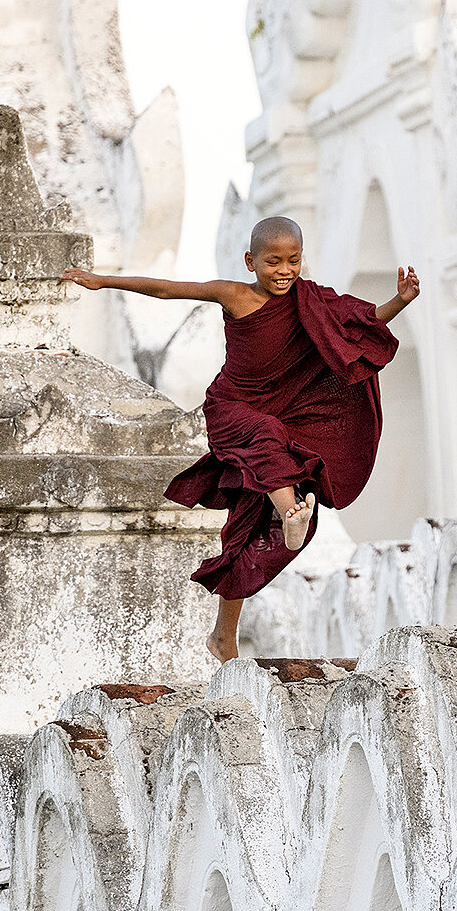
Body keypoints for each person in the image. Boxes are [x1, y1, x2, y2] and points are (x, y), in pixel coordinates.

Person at [63, 215, 419, 661]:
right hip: (233, 410)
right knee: (269, 439)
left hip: (284, 410)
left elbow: (362, 324)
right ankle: (291, 509)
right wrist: (102, 281)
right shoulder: (235, 295)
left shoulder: (312, 302)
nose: (284, 270)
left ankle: (222, 635)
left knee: (247, 529)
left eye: (293, 260)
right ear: (251, 261)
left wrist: (400, 301)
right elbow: (168, 288)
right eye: (273, 261)